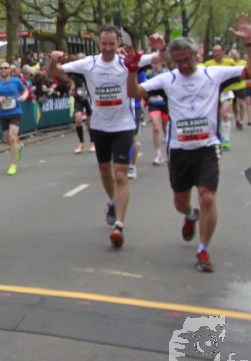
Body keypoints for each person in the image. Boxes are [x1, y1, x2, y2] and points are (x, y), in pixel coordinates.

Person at [127, 19, 251, 272]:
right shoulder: (167, 79)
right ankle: (190, 215)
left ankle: (203, 248)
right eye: (177, 61)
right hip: (179, 150)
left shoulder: (213, 74)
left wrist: (248, 43)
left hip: (207, 147)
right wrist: (132, 69)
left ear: (196, 55)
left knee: (207, 197)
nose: (183, 65)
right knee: (180, 202)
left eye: (186, 60)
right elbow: (134, 92)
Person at [48, 28, 165, 249]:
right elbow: (55, 71)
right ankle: (112, 201)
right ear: (99, 43)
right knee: (105, 171)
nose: (108, 48)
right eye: (104, 44)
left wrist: (162, 46)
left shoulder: (127, 61)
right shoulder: (89, 64)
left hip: (123, 125)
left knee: (120, 174)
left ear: (118, 42)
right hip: (100, 126)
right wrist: (54, 61)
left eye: (112, 44)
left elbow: (162, 57)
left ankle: (119, 225)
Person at [0, 61, 30, 175]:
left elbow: (26, 90)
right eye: (1, 68)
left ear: (9, 70)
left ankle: (13, 165)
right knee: (8, 140)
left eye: (6, 68)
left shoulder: (16, 81)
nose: (3, 70)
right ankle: (18, 146)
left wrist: (24, 96)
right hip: (3, 114)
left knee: (12, 137)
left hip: (15, 112)